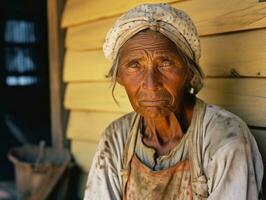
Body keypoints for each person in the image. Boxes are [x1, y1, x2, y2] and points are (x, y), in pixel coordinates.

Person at [84, 3, 263, 200]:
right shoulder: (115, 139)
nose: (151, 84)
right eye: (134, 65)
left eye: (165, 63)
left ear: (189, 72)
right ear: (119, 77)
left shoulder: (225, 139)